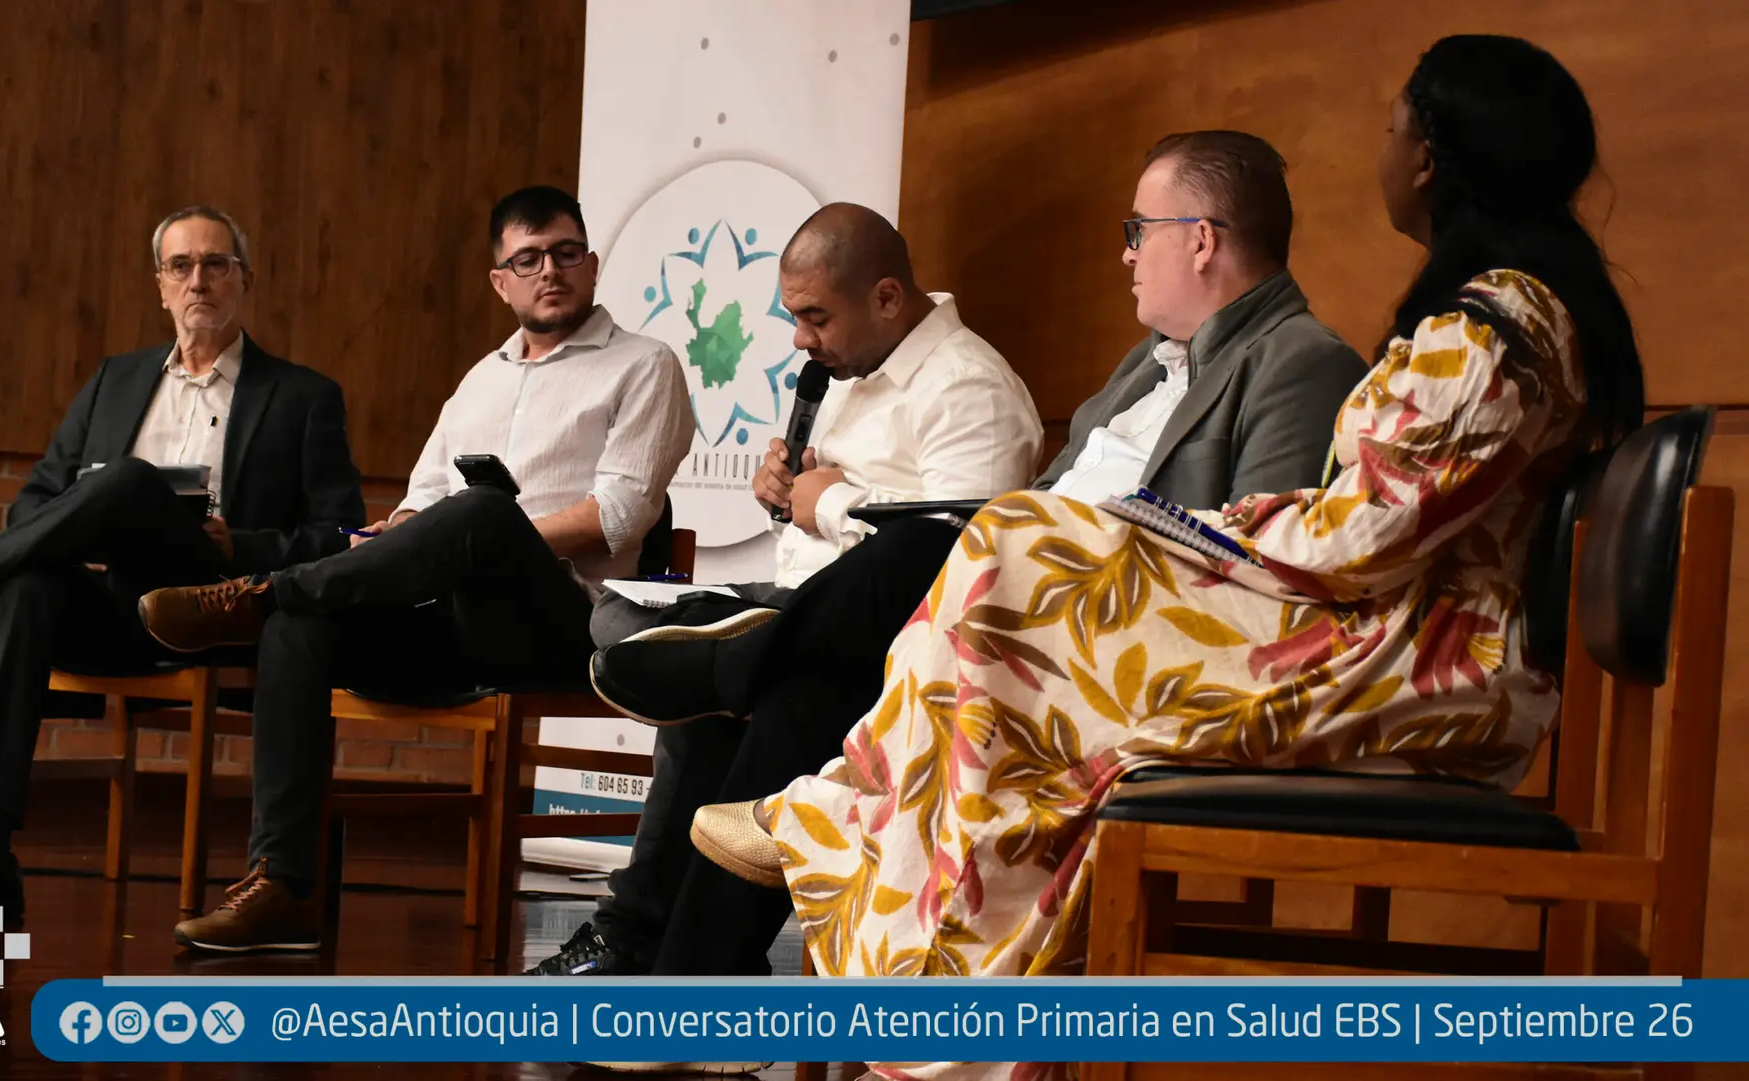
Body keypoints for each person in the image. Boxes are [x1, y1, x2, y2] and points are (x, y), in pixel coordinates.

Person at [689, 33, 1645, 1081]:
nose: (1381, 150)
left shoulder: (1493, 327)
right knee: (1015, 559)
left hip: (1416, 668)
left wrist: (1179, 530)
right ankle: (884, 876)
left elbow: (1362, 534)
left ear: (1430, 157)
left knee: (1012, 561)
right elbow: (1369, 520)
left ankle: (885, 888)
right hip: (1389, 638)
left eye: (1391, 129)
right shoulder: (1508, 316)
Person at [535, 133, 1370, 981]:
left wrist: (1041, 541)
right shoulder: (1146, 368)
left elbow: (1255, 571)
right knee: (808, 688)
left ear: (1200, 239)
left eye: (1137, 230)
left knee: (929, 542)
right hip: (1013, 615)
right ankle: (692, 978)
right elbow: (1040, 497)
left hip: (1109, 645)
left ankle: (733, 661)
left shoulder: (1302, 362)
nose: (1126, 254)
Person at [134, 185, 696, 952]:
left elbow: (622, 514)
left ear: (592, 265)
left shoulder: (644, 365)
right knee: (300, 629)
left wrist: (483, 534)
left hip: (565, 624)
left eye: (566, 253)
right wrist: (397, 535)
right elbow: (419, 499)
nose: (550, 270)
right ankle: (285, 886)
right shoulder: (481, 377)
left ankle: (259, 592)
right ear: (500, 281)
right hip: (451, 621)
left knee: (484, 511)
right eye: (528, 259)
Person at [533, 202, 1045, 979]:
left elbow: (959, 557)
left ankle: (662, 950)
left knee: (749, 696)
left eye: (815, 317)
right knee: (625, 618)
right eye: (794, 317)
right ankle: (649, 937)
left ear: (886, 297)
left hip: (899, 646)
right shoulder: (843, 370)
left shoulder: (971, 390)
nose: (801, 339)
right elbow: (815, 511)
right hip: (797, 601)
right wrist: (783, 491)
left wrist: (832, 504)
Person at [0, 206, 366, 918]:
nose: (198, 280)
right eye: (181, 266)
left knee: (130, 480)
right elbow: (32, 504)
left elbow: (340, 534)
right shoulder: (117, 380)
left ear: (245, 279)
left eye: (215, 264)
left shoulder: (302, 397)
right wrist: (86, 524)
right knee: (25, 585)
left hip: (218, 609)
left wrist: (239, 543)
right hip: (120, 608)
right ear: (160, 286)